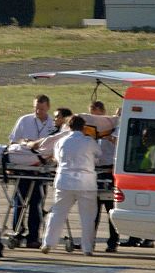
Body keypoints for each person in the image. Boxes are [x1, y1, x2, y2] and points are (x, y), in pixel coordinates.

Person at [40, 115, 101, 256]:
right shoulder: (89, 141)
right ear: (83, 127)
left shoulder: (61, 141)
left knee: (57, 213)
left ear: (69, 126)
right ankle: (87, 248)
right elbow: (99, 155)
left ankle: (48, 243)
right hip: (85, 182)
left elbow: (56, 158)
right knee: (87, 216)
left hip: (64, 180)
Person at [9, 95, 55, 248]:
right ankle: (17, 232)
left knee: (36, 204)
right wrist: (27, 143)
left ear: (48, 107)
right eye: (36, 107)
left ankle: (33, 237)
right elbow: (14, 140)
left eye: (41, 108)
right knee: (19, 202)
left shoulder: (52, 124)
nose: (38, 111)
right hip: (24, 168)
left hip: (41, 169)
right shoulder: (24, 120)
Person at [88, 101, 120, 253]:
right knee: (92, 210)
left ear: (102, 112)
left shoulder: (112, 127)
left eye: (95, 114)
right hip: (95, 171)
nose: (93, 118)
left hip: (109, 171)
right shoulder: (90, 130)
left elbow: (118, 143)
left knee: (110, 210)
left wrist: (107, 135)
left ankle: (113, 241)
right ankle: (90, 240)